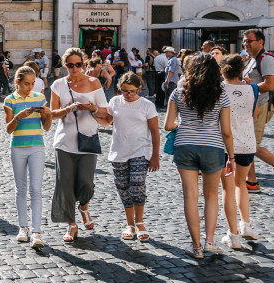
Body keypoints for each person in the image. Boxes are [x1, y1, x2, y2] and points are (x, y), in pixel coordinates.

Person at [164, 53, 235, 258]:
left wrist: (184, 124)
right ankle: (209, 242)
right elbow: (226, 131)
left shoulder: (179, 92)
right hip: (213, 147)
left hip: (185, 145)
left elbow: (168, 125)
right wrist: (231, 157)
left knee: (190, 197)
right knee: (211, 196)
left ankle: (195, 247)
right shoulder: (221, 95)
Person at [50, 48, 111, 243]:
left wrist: (92, 108)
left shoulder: (94, 83)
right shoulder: (58, 85)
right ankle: (72, 225)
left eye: (78, 64)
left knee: (86, 181)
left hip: (88, 139)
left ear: (84, 65)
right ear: (65, 65)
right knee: (65, 185)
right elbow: (52, 114)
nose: (75, 68)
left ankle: (83, 206)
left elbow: (106, 112)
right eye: (70, 65)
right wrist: (67, 109)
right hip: (64, 141)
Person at [105, 72, 159, 242]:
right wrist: (90, 111)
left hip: (140, 151)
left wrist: (155, 156)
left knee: (137, 186)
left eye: (132, 91)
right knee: (123, 189)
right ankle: (130, 224)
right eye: (124, 91)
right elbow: (106, 121)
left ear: (139, 89)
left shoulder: (147, 105)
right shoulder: (114, 102)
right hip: (119, 151)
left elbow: (155, 131)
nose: (128, 95)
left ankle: (140, 222)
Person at [3, 66, 51, 248]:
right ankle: (23, 228)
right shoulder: (10, 100)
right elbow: (9, 129)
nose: (30, 87)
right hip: (17, 147)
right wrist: (20, 116)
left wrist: (48, 115)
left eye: (32, 83)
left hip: (37, 147)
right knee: (20, 188)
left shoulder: (40, 98)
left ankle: (36, 232)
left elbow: (46, 127)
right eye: (26, 84)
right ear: (17, 82)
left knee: (36, 189)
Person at [218, 55, 258, 249]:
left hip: (226, 144)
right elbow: (255, 113)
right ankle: (246, 225)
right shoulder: (252, 88)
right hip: (247, 141)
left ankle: (232, 235)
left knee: (227, 188)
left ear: (222, 71)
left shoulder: (218, 89)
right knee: (241, 185)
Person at [241, 29, 274, 193]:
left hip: (262, 104)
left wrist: (247, 87)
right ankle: (252, 182)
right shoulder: (252, 59)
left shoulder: (267, 59)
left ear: (260, 42)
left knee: (252, 146)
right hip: (252, 105)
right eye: (244, 41)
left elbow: (269, 85)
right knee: (246, 145)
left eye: (249, 41)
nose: (245, 44)